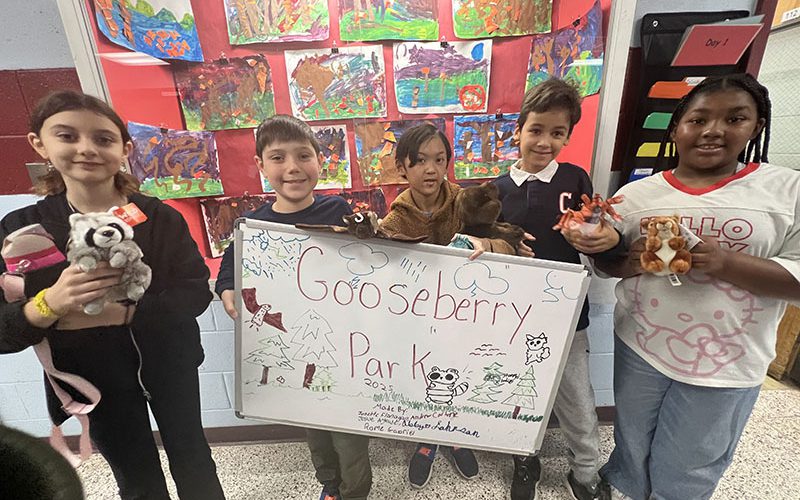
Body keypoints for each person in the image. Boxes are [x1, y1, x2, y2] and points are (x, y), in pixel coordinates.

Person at [573, 73, 800, 500]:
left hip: (728, 359)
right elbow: (611, 268)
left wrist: (726, 263)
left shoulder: (786, 190)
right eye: (698, 120)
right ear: (677, 128)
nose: (713, 130)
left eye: (735, 118)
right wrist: (614, 252)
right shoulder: (637, 194)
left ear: (756, 126)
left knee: (691, 463)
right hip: (642, 346)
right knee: (632, 443)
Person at [0, 90, 224, 499]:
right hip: (91, 379)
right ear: (39, 144)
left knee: (194, 461)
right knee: (134, 475)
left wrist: (128, 313)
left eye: (102, 139)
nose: (86, 149)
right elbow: (3, 331)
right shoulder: (23, 232)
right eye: (67, 136)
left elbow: (194, 292)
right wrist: (48, 304)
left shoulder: (158, 217)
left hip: (170, 365)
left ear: (124, 149)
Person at [215, 115, 370, 500]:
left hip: (343, 351)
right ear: (260, 165)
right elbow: (230, 266)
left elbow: (375, 257)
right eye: (278, 158)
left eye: (303, 156)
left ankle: (355, 493)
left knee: (349, 437)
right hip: (292, 353)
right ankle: (330, 486)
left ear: (320, 160)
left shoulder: (339, 212)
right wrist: (227, 287)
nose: (292, 168)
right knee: (314, 430)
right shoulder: (252, 225)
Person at [379, 123, 535, 489]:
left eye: (438, 159)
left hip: (467, 320)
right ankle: (427, 439)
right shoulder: (395, 219)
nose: (430, 169)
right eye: (418, 161)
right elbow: (382, 272)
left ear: (449, 162)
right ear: (402, 167)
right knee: (424, 382)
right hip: (418, 323)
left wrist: (489, 246)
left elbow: (509, 245)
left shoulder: (469, 202)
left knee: (459, 378)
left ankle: (456, 434)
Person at [494, 78, 620, 500]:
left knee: (578, 399)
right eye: (536, 130)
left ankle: (585, 471)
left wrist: (596, 235)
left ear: (568, 136)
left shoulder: (576, 178)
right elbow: (476, 243)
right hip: (511, 315)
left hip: (569, 315)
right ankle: (523, 458)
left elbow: (598, 231)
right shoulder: (496, 190)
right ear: (518, 130)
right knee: (517, 391)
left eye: (557, 132)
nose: (545, 141)